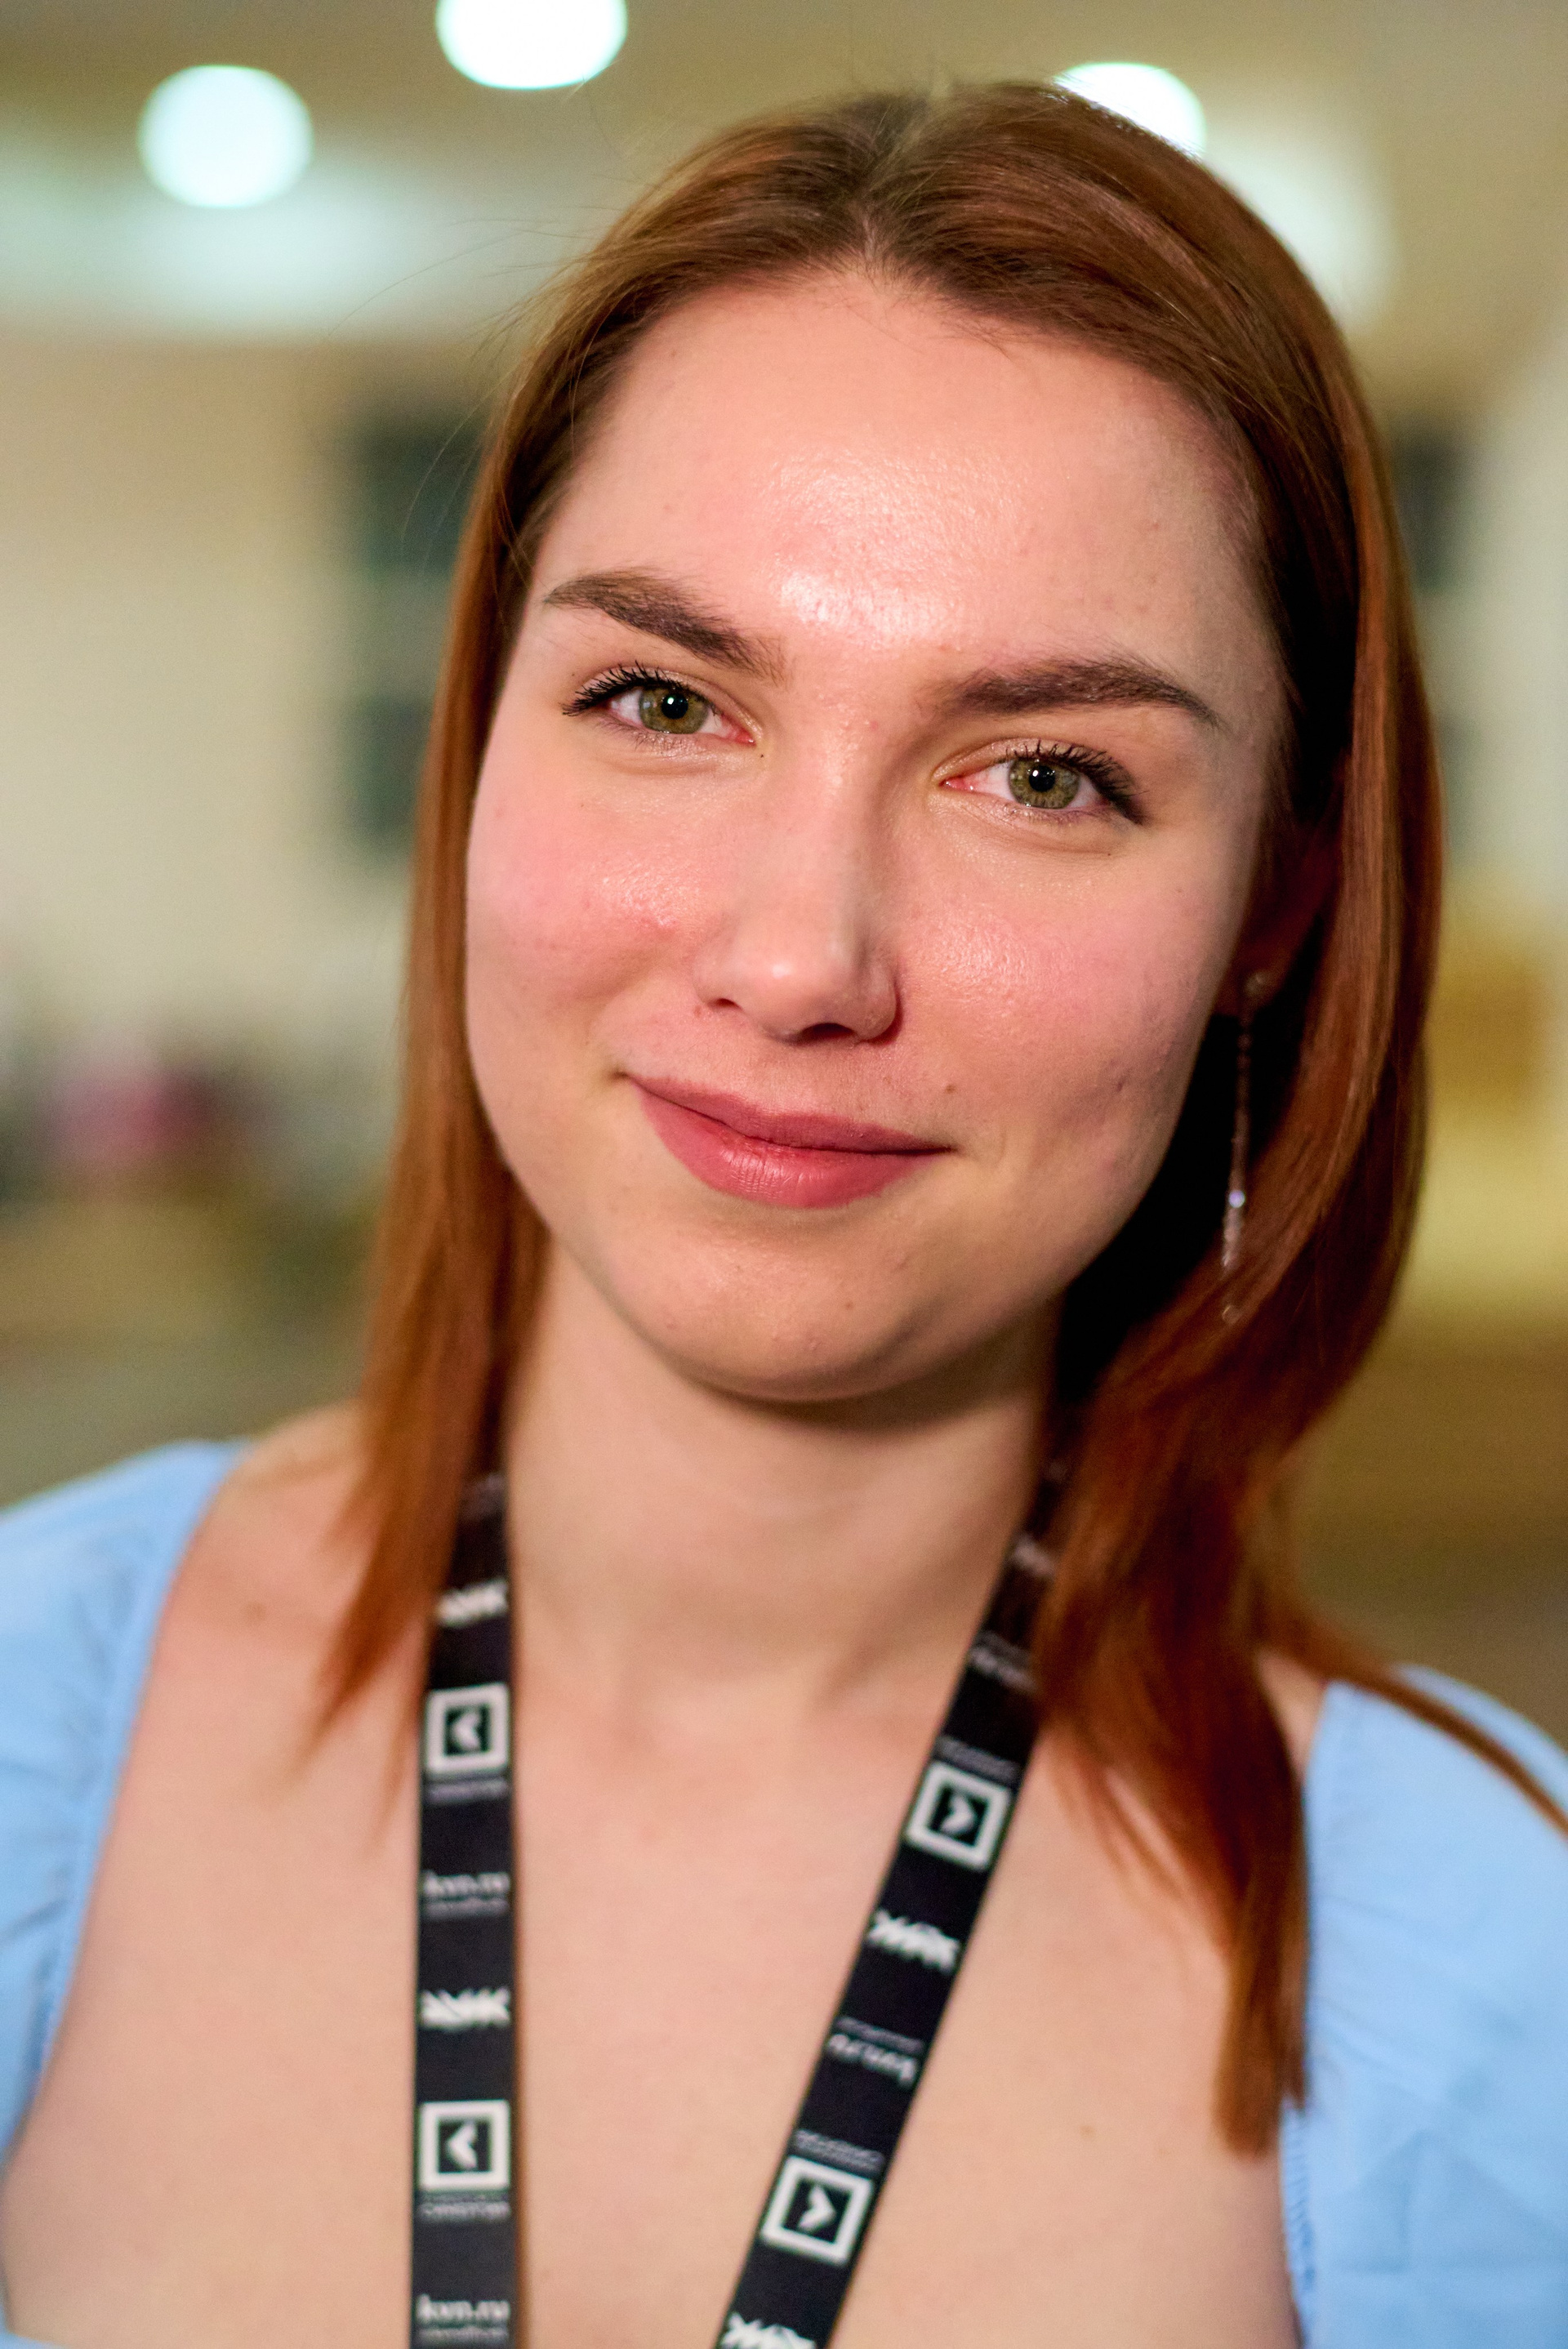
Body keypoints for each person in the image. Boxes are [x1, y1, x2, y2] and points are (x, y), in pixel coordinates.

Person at [0, 82, 1565, 2349]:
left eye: (1045, 775)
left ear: (1270, 911)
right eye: (664, 698)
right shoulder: (37, 1722)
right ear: (479, 747)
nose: (800, 957)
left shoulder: (1491, 1987)